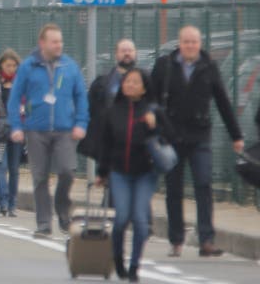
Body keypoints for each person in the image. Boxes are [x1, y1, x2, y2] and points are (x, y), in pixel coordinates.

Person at [151, 25, 244, 258]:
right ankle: (176, 240)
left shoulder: (208, 67)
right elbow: (150, 98)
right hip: (171, 136)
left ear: (200, 44)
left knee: (203, 184)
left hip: (200, 134)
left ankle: (206, 240)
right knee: (173, 188)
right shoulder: (165, 66)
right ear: (179, 43)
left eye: (194, 42)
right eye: (186, 42)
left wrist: (236, 135)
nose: (190, 46)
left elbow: (222, 100)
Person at [8, 23, 89, 238]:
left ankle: (63, 209)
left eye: (60, 41)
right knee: (40, 177)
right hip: (36, 130)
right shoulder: (28, 67)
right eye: (54, 42)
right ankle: (44, 224)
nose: (59, 45)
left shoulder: (70, 67)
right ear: (42, 43)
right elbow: (15, 98)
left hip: (64, 129)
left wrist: (81, 123)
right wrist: (17, 126)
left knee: (67, 172)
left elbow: (81, 96)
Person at [97, 68, 170, 282]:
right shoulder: (113, 111)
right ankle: (118, 258)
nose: (130, 85)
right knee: (120, 219)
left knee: (139, 220)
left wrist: (155, 127)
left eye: (135, 82)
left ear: (144, 87)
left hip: (145, 173)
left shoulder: (153, 110)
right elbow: (106, 145)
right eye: (127, 81)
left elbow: (171, 137)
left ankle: (135, 264)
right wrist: (102, 173)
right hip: (119, 173)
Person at [80, 39, 137, 161]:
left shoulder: (146, 81)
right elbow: (89, 109)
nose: (127, 53)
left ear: (135, 53)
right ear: (116, 54)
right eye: (123, 51)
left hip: (137, 142)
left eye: (130, 50)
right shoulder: (102, 84)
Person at [0, 49, 22, 217]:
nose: (11, 68)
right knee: (1, 167)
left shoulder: (20, 82)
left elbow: (27, 104)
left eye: (14, 66)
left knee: (14, 169)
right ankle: (4, 202)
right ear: (1, 65)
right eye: (8, 65)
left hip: (16, 129)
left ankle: (13, 203)